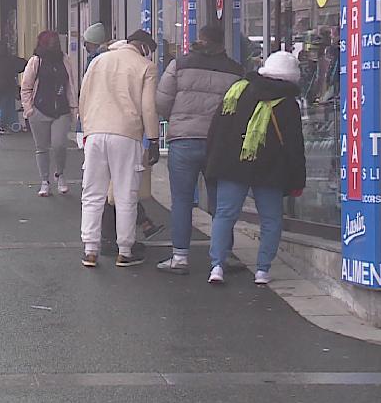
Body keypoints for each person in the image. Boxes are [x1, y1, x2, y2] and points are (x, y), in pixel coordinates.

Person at [204, 51, 306, 285]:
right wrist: (297, 180)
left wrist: (211, 160)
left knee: (224, 215)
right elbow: (294, 145)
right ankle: (262, 270)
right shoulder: (288, 103)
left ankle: (217, 266)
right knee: (271, 219)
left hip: (232, 164)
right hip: (270, 170)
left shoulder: (238, 91)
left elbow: (218, 128)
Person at [154, 24, 244, 275]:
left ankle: (180, 258)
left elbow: (162, 100)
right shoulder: (235, 70)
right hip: (219, 143)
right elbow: (240, 107)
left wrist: (177, 119)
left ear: (200, 40)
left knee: (182, 200)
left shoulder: (180, 64)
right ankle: (223, 255)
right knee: (220, 201)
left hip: (183, 140)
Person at [79, 30, 160, 268]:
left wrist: (86, 128)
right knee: (125, 194)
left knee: (92, 193)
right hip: (126, 134)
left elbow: (84, 96)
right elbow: (148, 107)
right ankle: (125, 250)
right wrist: (153, 139)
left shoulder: (99, 60)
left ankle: (90, 249)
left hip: (94, 133)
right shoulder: (146, 67)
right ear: (143, 47)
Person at [20, 31, 78, 197]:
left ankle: (60, 174)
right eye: (50, 42)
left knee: (59, 144)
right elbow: (26, 86)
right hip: (39, 109)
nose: (54, 45)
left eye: (56, 42)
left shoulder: (65, 60)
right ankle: (44, 181)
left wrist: (74, 107)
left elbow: (71, 85)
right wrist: (29, 109)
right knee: (42, 148)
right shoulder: (36, 61)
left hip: (61, 109)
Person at [0, 42, 25, 134]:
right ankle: (4, 124)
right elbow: (24, 65)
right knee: (6, 106)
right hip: (8, 86)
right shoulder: (11, 59)